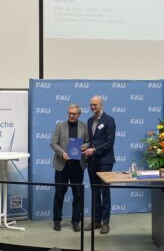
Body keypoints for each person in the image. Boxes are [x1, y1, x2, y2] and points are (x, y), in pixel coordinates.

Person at [50, 103, 89, 232]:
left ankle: (76, 221)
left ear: (79, 114)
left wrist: (85, 146)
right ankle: (57, 220)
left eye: (74, 114)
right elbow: (53, 143)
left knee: (77, 195)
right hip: (62, 165)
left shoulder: (84, 126)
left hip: (78, 166)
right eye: (69, 113)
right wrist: (62, 153)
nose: (71, 116)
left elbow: (89, 142)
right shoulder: (59, 126)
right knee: (59, 194)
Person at [83, 95, 116, 234]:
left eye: (95, 105)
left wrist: (94, 150)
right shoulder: (89, 121)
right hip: (92, 161)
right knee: (95, 191)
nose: (92, 107)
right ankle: (96, 221)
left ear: (101, 105)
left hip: (105, 161)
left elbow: (110, 142)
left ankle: (106, 223)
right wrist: (85, 147)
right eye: (91, 105)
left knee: (104, 191)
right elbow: (91, 140)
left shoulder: (109, 120)